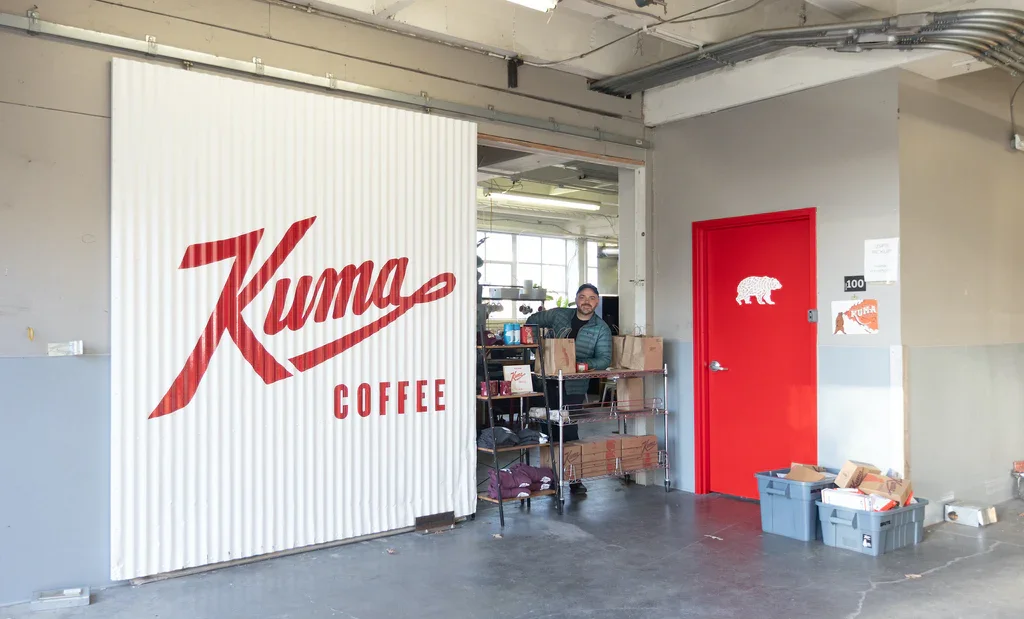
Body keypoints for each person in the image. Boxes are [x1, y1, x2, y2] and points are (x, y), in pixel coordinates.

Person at [526, 284, 612, 494]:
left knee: (569, 430)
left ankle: (574, 479)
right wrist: (538, 347)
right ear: (576, 299)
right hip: (547, 381)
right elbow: (531, 321)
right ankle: (550, 478)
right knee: (547, 429)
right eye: (582, 297)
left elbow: (604, 359)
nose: (586, 301)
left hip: (573, 385)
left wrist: (579, 364)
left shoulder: (601, 328)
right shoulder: (559, 315)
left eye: (591, 298)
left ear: (597, 302)